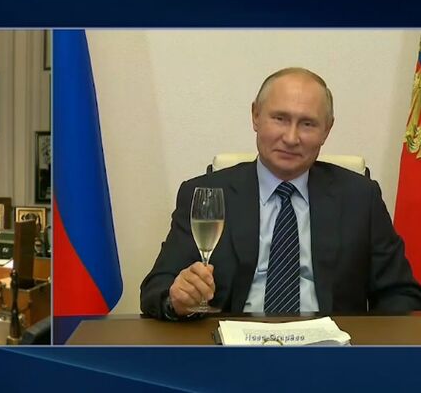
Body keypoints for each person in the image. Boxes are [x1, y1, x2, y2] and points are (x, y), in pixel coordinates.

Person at [140, 67, 421, 320]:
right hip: (233, 348)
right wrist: (176, 298)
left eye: (307, 124)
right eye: (280, 118)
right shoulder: (206, 194)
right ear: (255, 116)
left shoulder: (361, 198)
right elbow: (156, 288)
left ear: (327, 130)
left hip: (329, 350)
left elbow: (401, 294)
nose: (291, 137)